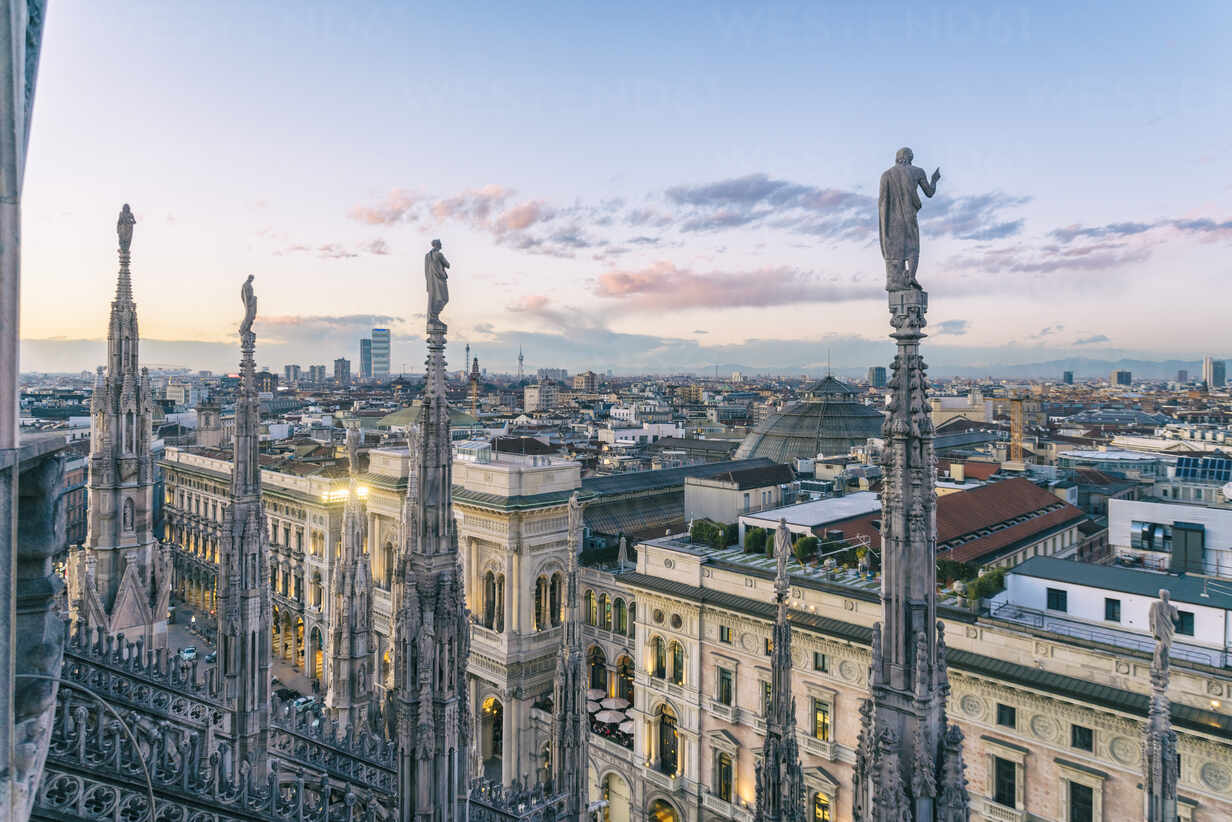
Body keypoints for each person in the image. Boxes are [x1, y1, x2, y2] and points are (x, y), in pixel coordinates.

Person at [879, 147, 941, 290]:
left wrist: (884, 224)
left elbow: (882, 202)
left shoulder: (886, 175)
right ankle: (911, 276)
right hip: (909, 214)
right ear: (909, 157)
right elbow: (930, 192)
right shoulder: (917, 171)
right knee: (913, 247)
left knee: (896, 248)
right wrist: (934, 179)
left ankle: (898, 278)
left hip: (892, 219)